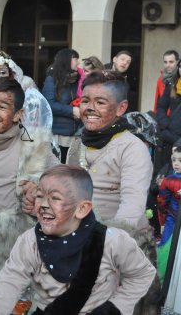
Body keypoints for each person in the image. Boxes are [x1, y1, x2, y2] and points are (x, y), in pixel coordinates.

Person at [0, 164, 157, 315]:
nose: (44, 205)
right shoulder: (29, 242)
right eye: (40, 196)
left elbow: (142, 274)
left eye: (55, 198)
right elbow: (5, 289)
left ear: (82, 209)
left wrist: (114, 308)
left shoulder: (112, 241)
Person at [65, 70, 159, 314]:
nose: (90, 108)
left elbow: (131, 208)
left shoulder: (132, 148)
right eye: (85, 101)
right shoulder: (78, 143)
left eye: (100, 102)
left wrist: (104, 255)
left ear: (121, 108)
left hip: (120, 255)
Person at [0, 77, 58, 279]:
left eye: (2, 107)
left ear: (18, 114)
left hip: (18, 240)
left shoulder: (33, 144)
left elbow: (60, 181)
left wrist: (38, 193)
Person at [42, 48, 82, 163]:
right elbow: (48, 104)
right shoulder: (52, 80)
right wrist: (71, 111)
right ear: (66, 60)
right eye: (75, 59)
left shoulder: (77, 81)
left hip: (74, 132)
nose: (78, 63)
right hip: (59, 133)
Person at [157, 145, 181, 282]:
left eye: (180, 160)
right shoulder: (169, 181)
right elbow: (161, 203)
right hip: (172, 222)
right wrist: (162, 223)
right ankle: (163, 283)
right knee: (167, 252)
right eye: (174, 160)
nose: (176, 163)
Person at [156, 59, 181, 170]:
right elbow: (161, 106)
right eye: (180, 67)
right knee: (168, 174)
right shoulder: (172, 85)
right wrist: (165, 124)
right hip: (170, 136)